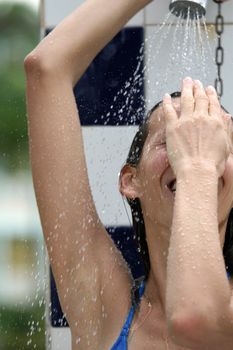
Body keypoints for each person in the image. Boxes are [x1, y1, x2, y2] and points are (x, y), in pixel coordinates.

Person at [24, 0, 233, 349]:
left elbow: (196, 318)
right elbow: (46, 68)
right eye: (171, 139)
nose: (191, 155)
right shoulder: (103, 305)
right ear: (129, 180)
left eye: (215, 146)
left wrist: (197, 168)